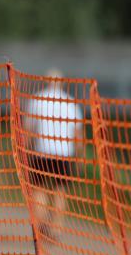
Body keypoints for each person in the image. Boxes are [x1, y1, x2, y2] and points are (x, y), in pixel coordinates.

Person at [22, 69, 84, 244]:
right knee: (60, 191)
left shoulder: (37, 100)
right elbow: (78, 134)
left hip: (42, 150)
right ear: (62, 82)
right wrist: (79, 157)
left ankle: (42, 225)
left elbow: (28, 130)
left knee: (39, 189)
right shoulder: (70, 103)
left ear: (45, 80)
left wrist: (25, 151)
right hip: (64, 153)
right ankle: (55, 229)